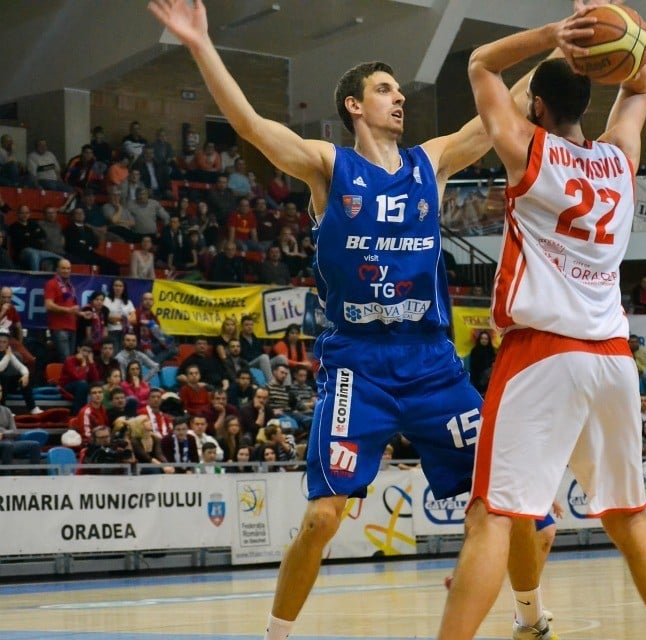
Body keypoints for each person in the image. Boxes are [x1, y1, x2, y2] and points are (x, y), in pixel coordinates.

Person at [147, 2, 555, 639]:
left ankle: (530, 618)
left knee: (513, 507)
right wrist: (201, 44)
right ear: (354, 106)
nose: (398, 98)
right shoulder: (329, 167)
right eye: (384, 90)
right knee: (321, 519)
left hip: (433, 368)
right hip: (358, 369)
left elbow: (500, 111)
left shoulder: (432, 163)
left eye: (397, 89)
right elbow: (252, 127)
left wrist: (565, 47)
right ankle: (276, 635)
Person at [439, 7, 646, 640]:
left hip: (541, 354)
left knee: (491, 518)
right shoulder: (618, 161)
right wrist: (634, 52)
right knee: (631, 521)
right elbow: (637, 92)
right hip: (611, 358)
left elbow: (480, 64)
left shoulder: (528, 149)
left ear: (538, 108)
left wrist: (557, 35)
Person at [468, 330, 497, 396]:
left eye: (486, 339)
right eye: (482, 338)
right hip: (477, 381)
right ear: (479, 339)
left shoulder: (491, 351)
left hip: (490, 382)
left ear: (488, 340)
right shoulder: (475, 351)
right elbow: (473, 367)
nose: (484, 340)